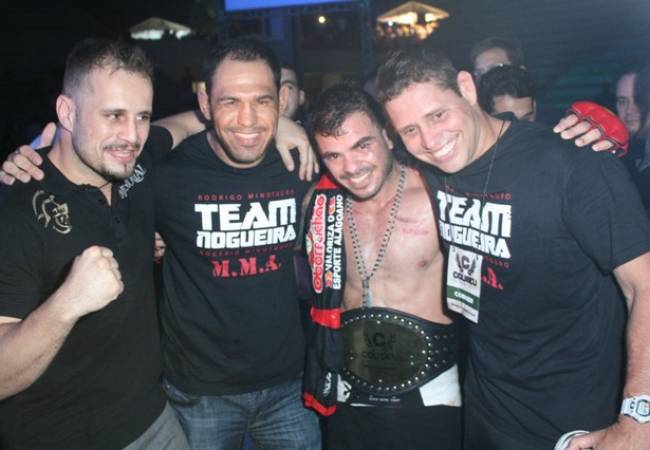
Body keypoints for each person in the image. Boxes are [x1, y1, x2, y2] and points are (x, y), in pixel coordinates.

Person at [377, 45, 650, 450]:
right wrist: (285, 128)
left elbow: (644, 285)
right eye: (410, 131)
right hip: (486, 408)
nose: (430, 141)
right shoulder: (433, 170)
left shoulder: (572, 162)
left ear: (467, 87)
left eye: (437, 115)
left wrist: (639, 419)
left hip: (575, 420)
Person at [0, 38, 189, 450]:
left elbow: (190, 123)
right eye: (113, 115)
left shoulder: (134, 166)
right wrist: (67, 303)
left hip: (153, 419)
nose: (132, 136)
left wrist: (280, 122)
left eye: (142, 116)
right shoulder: (14, 210)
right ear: (67, 112)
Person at [152, 38, 321, 450]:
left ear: (282, 100)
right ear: (205, 103)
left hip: (290, 385)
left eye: (262, 100)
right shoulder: (167, 174)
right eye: (230, 101)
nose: (248, 119)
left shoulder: (303, 162)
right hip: (200, 392)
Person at [302, 83, 461, 449]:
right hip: (349, 392)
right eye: (333, 156)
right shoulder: (321, 206)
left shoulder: (439, 198)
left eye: (362, 145)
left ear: (388, 136)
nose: (351, 168)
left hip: (432, 393)